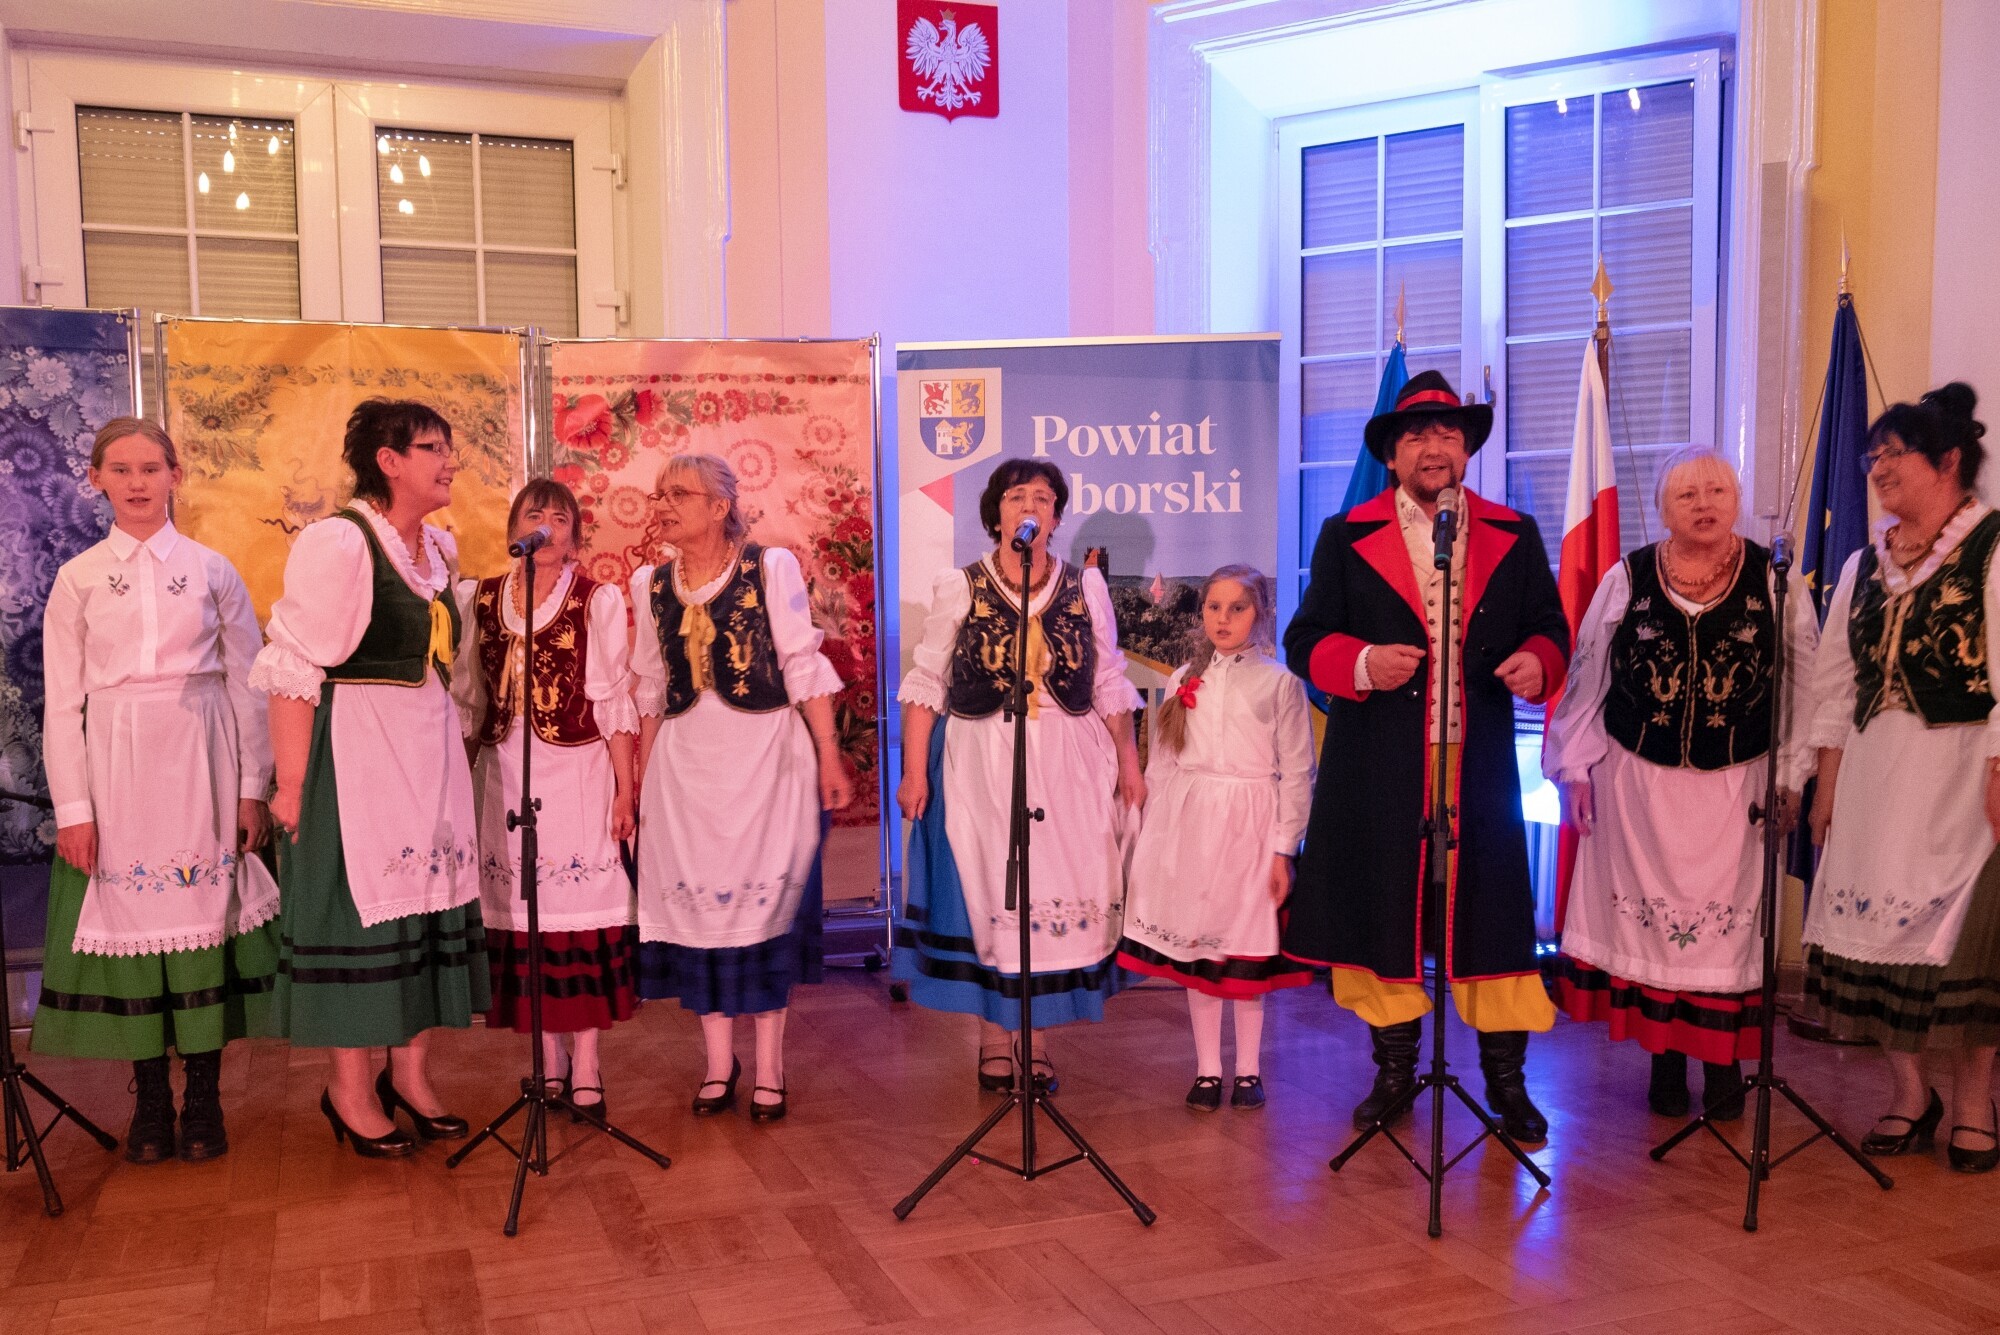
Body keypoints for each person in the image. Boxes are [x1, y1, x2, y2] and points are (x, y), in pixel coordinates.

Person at [1282, 370, 1570, 1144]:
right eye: (1416, 435)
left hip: (1477, 764)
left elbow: (1550, 626)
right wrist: (1363, 661)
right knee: (1387, 912)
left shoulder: (1514, 532)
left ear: (1467, 450)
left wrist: (1540, 661)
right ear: (1393, 455)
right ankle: (1394, 1070)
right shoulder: (1346, 534)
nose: (1433, 446)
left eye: (1447, 433)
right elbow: (1304, 638)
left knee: (1493, 916)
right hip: (1379, 764)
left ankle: (1507, 1081)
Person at [33, 417, 278, 1164]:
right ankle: (149, 1098)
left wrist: (251, 787)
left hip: (202, 759)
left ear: (176, 475)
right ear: (95, 479)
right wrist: (74, 810)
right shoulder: (78, 578)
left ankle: (203, 1096)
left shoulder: (212, 570)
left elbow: (248, 684)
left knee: (201, 913)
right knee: (132, 919)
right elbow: (61, 701)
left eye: (151, 468)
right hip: (115, 765)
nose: (137, 482)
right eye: (121, 469)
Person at [1545, 448, 1817, 1119]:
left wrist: (1792, 773)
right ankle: (1664, 1061)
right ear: (1664, 509)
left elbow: (1805, 682)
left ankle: (1723, 1067)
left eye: (1717, 491)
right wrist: (1575, 768)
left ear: (1737, 500)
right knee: (1652, 929)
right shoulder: (1628, 577)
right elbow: (1588, 675)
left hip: (1738, 785)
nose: (1704, 504)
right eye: (1687, 494)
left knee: (1726, 934)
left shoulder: (1774, 579)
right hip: (1640, 783)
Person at [252, 398, 488, 1158]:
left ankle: (410, 1076)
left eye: (448, 448)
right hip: (355, 755)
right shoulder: (339, 542)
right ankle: (349, 1090)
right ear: (388, 462)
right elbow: (292, 667)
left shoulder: (438, 549)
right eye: (433, 448)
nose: (449, 462)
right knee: (358, 918)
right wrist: (292, 785)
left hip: (425, 753)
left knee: (421, 910)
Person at [893, 459, 1146, 1095]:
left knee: (1054, 889)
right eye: (1015, 497)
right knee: (990, 891)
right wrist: (914, 772)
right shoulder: (961, 585)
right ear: (996, 514)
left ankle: (1035, 1042)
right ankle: (991, 1037)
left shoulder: (1086, 587)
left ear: (1056, 516)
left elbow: (1109, 680)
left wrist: (1130, 763)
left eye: (1042, 498)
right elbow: (927, 683)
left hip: (1068, 760)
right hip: (982, 756)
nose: (1029, 506)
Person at [1803, 383, 2000, 1173]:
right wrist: (1826, 782)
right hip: (1874, 779)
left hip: (1961, 780)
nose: (1878, 467)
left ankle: (1977, 1102)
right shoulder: (1862, 565)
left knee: (1971, 947)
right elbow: (1833, 683)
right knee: (1875, 938)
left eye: (1894, 453)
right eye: (1872, 455)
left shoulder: (1992, 548)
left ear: (1947, 461)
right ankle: (1910, 1093)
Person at [630, 453, 852, 1122]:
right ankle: (718, 1061)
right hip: (685, 769)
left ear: (719, 506)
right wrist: (641, 781)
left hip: (765, 763)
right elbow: (650, 688)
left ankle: (771, 1065)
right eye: (661, 494)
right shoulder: (650, 584)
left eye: (679, 494)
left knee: (765, 913)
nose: (664, 505)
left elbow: (801, 665)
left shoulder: (768, 567)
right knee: (700, 913)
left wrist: (829, 755)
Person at [453, 479, 638, 1122]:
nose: (548, 526)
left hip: (577, 773)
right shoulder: (478, 599)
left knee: (576, 913)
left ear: (575, 536)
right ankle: (548, 1058)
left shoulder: (595, 599)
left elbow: (613, 702)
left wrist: (626, 789)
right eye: (535, 514)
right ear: (514, 530)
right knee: (524, 913)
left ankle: (585, 1061)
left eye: (561, 518)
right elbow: (469, 699)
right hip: (503, 774)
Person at [1116, 565, 1315, 1111]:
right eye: (1213, 607)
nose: (1223, 619)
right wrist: (1153, 834)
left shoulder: (1280, 682)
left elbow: (1297, 773)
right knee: (1199, 947)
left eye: (1237, 608)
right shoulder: (1184, 677)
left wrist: (1284, 849)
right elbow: (1163, 763)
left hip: (1251, 828)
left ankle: (1248, 1070)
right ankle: (1208, 1069)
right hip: (1192, 827)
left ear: (1261, 613)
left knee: (1243, 950)